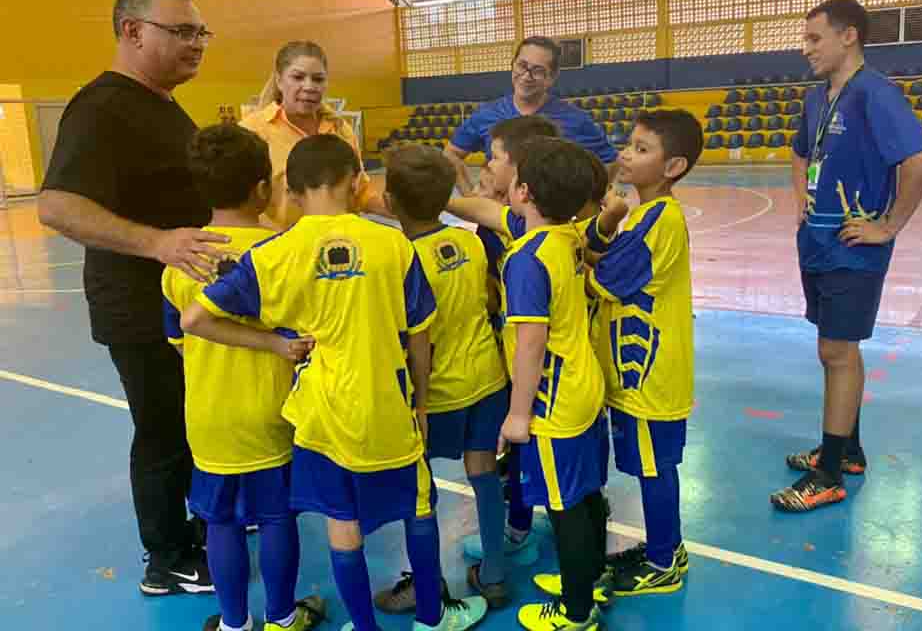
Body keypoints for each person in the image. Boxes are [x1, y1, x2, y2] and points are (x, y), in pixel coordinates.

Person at [181, 134, 488, 631]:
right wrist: (423, 406)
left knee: (342, 523)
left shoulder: (275, 253)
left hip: (323, 413)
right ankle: (432, 619)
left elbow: (195, 318)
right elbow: (419, 336)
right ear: (359, 181)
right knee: (419, 510)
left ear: (292, 193)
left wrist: (274, 345)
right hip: (389, 402)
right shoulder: (393, 243)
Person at [37, 0, 226, 595]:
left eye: (202, 33)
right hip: (139, 307)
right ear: (132, 30)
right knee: (164, 429)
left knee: (189, 424)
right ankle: (166, 558)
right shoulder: (101, 108)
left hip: (180, 304)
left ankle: (191, 530)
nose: (196, 43)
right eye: (182, 32)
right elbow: (58, 205)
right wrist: (157, 244)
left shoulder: (163, 105)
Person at [771, 0, 922, 512]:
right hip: (817, 242)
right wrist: (801, 197)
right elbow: (802, 151)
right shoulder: (818, 98)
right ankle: (848, 450)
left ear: (849, 37)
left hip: (852, 246)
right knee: (840, 352)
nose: (806, 50)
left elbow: (921, 156)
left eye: (814, 39)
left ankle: (827, 474)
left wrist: (888, 226)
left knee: (835, 353)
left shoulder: (875, 94)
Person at [162, 124, 326, 631]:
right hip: (276, 409)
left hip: (209, 415)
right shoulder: (287, 251)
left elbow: (178, 340)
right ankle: (281, 616)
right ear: (263, 188)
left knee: (221, 521)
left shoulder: (180, 263)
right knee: (277, 517)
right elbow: (306, 332)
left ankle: (235, 623)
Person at [537, 110, 702, 604]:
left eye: (642, 148)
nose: (627, 154)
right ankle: (664, 546)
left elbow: (605, 278)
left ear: (672, 166)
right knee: (648, 465)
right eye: (629, 144)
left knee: (654, 468)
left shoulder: (663, 220)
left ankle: (663, 561)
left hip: (650, 373)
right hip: (636, 374)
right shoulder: (645, 213)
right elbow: (603, 251)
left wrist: (565, 264)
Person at [373, 145, 511, 613]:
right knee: (484, 474)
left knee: (420, 490)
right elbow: (490, 303)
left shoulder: (402, 260)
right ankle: (494, 574)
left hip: (439, 395)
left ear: (390, 203)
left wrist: (417, 403)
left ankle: (426, 583)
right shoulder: (472, 242)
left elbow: (414, 339)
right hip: (488, 381)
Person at [498, 137, 608, 631]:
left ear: (522, 191)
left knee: (563, 506)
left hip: (554, 400)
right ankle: (589, 578)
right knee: (587, 494)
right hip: (587, 385)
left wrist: (519, 415)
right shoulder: (569, 240)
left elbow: (530, 343)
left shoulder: (526, 258)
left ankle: (576, 611)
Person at [240, 40, 389, 230]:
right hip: (283, 249)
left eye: (318, 79)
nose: (309, 86)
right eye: (298, 77)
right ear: (279, 80)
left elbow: (360, 192)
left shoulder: (340, 130)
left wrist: (400, 211)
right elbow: (239, 205)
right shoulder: (251, 131)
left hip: (340, 247)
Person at [443, 36, 617, 197]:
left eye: (538, 70)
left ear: (551, 78)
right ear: (512, 65)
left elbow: (611, 162)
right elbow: (451, 153)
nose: (527, 76)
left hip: (550, 225)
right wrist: (469, 196)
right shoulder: (486, 115)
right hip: (496, 224)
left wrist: (585, 202)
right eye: (522, 65)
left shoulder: (576, 120)